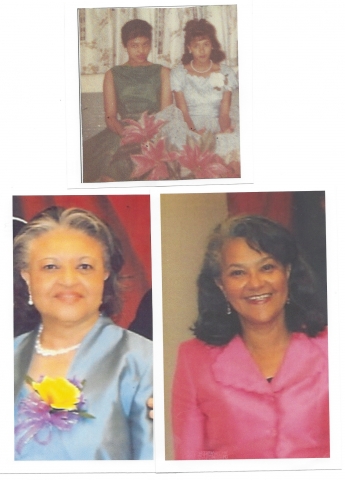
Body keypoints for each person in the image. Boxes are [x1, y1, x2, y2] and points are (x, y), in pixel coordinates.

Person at [172, 215, 329, 459]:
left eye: (267, 267)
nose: (255, 283)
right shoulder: (193, 358)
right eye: (237, 273)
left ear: (286, 272)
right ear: (221, 285)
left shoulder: (332, 347)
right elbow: (191, 458)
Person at [14, 206, 153, 460]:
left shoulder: (145, 362)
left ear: (106, 274)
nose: (68, 280)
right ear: (27, 276)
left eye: (85, 266)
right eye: (50, 267)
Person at [83, 19, 172, 182]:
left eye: (145, 44)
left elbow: (166, 115)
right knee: (106, 167)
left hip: (154, 131)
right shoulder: (113, 74)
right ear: (125, 46)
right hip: (121, 131)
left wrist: (147, 135)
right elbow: (110, 117)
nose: (141, 50)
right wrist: (129, 135)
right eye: (134, 45)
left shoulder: (163, 72)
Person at [158, 19, 240, 164]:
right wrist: (194, 133)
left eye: (206, 45)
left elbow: (224, 113)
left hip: (217, 125)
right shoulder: (179, 73)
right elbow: (183, 112)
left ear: (212, 45)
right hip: (187, 126)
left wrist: (223, 132)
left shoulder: (226, 73)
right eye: (196, 46)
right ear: (189, 47)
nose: (202, 51)